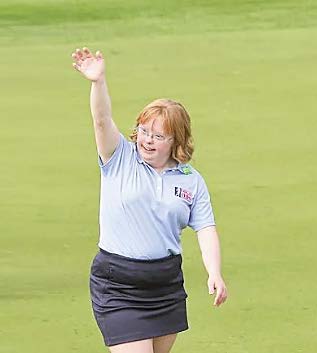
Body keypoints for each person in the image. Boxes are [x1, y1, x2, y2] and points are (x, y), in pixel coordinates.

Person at [71, 47, 229, 353]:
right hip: (117, 283)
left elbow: (206, 228)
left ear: (176, 141)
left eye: (158, 136)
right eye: (144, 131)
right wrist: (98, 81)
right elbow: (102, 121)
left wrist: (214, 272)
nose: (147, 140)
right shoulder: (120, 157)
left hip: (165, 285)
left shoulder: (190, 180)